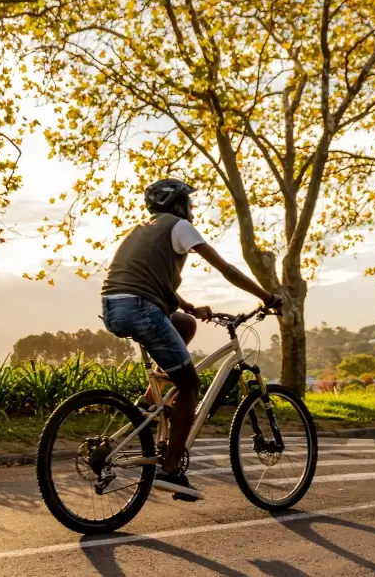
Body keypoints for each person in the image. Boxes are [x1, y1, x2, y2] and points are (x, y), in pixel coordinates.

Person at [100, 178, 281, 502]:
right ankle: (171, 469)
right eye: (189, 202)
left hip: (116, 306)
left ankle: (150, 402)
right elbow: (225, 269)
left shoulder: (142, 230)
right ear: (179, 204)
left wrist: (188, 307)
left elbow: (146, 278)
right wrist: (266, 296)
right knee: (190, 385)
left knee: (183, 324)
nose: (192, 209)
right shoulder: (179, 226)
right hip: (141, 307)